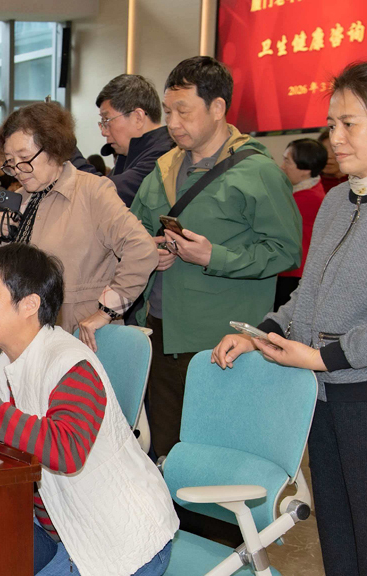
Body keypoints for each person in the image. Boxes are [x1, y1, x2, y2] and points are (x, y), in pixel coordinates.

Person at [212, 59, 367, 576]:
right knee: (338, 536)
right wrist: (263, 335)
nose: (335, 138)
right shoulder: (340, 199)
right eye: (332, 124)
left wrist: (324, 356)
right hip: (323, 393)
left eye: (350, 124)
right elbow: (308, 296)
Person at [0, 243, 177, 576]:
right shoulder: (7, 363)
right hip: (63, 530)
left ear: (30, 304)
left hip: (119, 541)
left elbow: (67, 451)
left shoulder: (70, 363)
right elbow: (15, 449)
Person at [129, 56, 302, 460]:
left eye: (183, 112)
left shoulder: (257, 172)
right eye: (168, 111)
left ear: (219, 108)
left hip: (217, 344)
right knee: (169, 457)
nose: (172, 123)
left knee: (215, 461)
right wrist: (150, 249)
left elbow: (285, 251)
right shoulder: (164, 168)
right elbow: (134, 230)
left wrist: (215, 256)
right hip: (158, 334)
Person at [0, 101, 159, 351]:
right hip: (28, 341)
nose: (17, 169)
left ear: (54, 149)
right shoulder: (21, 199)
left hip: (80, 340)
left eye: (25, 158)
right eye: (10, 161)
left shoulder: (92, 191)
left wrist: (106, 311)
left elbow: (143, 250)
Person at [95, 74, 177, 206]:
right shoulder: (129, 154)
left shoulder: (166, 154)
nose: (104, 132)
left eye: (107, 120)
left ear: (138, 117)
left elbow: (105, 194)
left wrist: (62, 145)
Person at [276, 138, 328, 309]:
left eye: (287, 161)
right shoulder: (312, 189)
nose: (282, 166)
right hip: (294, 270)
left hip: (294, 273)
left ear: (305, 170)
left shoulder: (307, 198)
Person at [317, 129, 348, 193]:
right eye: (324, 150)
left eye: (334, 149)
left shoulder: (359, 182)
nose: (328, 156)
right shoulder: (313, 185)